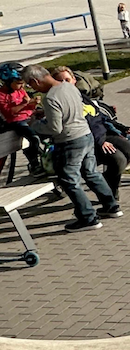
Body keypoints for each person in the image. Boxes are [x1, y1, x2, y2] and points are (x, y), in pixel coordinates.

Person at [21, 64, 120, 231]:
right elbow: (70, 111)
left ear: (35, 81)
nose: (33, 89)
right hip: (86, 134)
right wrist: (46, 116)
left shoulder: (51, 98)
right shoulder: (68, 87)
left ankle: (88, 217)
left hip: (70, 141)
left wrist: (35, 125)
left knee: (68, 179)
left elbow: (55, 128)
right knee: (91, 173)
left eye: (30, 85)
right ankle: (111, 205)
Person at [50, 67, 130, 204]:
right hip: (87, 141)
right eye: (60, 81)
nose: (65, 84)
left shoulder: (80, 96)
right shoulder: (59, 100)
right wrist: (100, 142)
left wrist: (122, 128)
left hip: (102, 135)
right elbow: (83, 126)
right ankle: (109, 194)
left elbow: (99, 116)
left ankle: (107, 184)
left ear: (74, 80)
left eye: (67, 80)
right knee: (118, 159)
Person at [0, 62, 46, 177]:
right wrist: (24, 104)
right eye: (19, 83)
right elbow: (9, 112)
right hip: (16, 122)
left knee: (49, 131)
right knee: (34, 138)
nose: (22, 87)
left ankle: (50, 158)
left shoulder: (20, 91)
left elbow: (29, 106)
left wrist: (34, 104)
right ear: (8, 81)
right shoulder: (1, 95)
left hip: (29, 117)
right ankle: (34, 163)